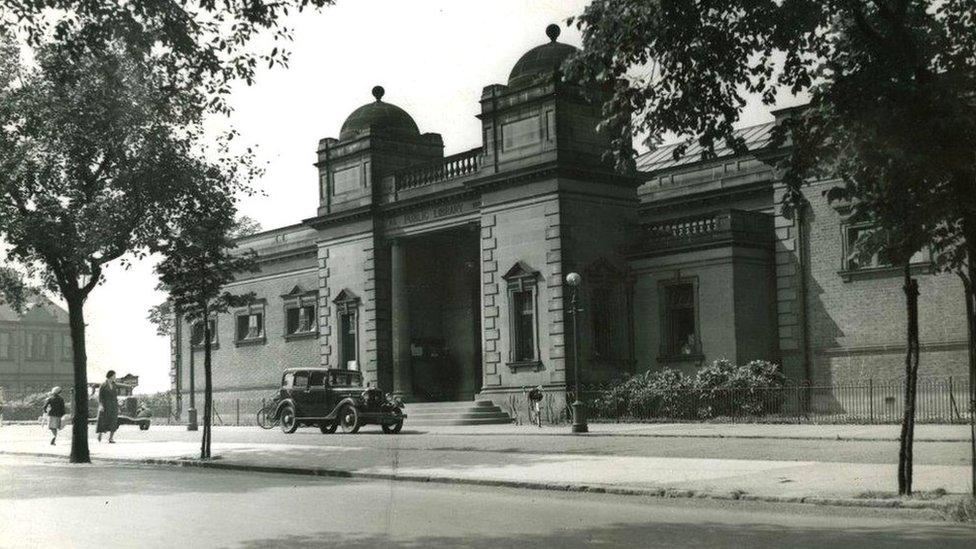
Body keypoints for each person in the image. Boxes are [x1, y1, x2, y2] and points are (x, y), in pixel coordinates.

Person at [96, 370, 119, 443]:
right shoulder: (103, 385)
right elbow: (100, 397)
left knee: (113, 421)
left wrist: (117, 406)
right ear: (110, 376)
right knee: (103, 421)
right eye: (114, 376)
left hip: (113, 406)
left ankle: (111, 438)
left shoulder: (115, 385)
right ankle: (100, 434)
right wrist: (101, 405)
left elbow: (115, 396)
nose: (115, 377)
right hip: (105, 405)